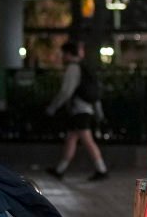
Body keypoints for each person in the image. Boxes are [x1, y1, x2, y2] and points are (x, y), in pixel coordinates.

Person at [45, 40, 108, 181]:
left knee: (86, 140)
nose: (62, 57)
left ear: (68, 54)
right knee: (71, 139)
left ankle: (101, 169)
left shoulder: (73, 68)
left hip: (79, 110)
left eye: (63, 54)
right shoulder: (83, 67)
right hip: (83, 109)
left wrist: (53, 107)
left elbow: (66, 91)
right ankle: (60, 169)